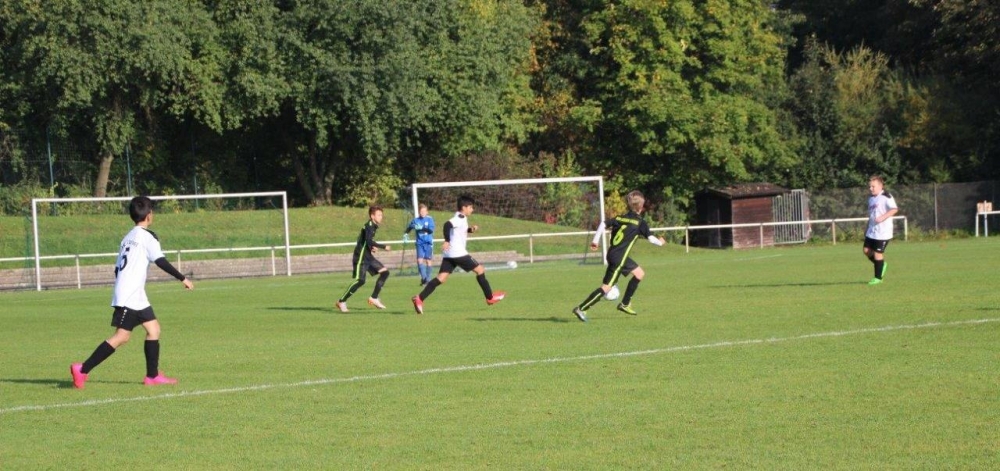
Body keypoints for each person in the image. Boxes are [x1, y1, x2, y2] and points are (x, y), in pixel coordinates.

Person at [70, 196, 194, 389]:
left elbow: (117, 268)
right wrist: (182, 278)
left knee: (154, 330)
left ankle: (152, 376)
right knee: (122, 336)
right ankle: (82, 369)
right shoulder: (147, 237)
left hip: (134, 294)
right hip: (130, 295)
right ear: (149, 214)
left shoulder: (127, 237)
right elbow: (160, 260)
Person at [572, 190, 665, 322]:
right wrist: (660, 243)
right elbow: (651, 238)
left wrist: (595, 241)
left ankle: (625, 304)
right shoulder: (640, 222)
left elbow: (603, 223)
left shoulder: (620, 218)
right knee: (606, 287)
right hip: (619, 259)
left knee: (639, 273)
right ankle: (581, 308)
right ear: (641, 207)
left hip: (613, 254)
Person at [411, 195, 505, 314]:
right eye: (471, 207)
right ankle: (490, 297)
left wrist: (470, 230)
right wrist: (447, 241)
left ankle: (419, 298)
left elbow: (458, 230)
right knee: (480, 270)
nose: (472, 209)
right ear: (464, 207)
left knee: (441, 278)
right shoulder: (459, 218)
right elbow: (447, 225)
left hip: (449, 254)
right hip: (458, 253)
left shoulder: (461, 218)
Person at [337, 206, 392, 312]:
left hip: (368, 257)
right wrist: (384, 246)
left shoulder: (373, 226)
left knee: (385, 273)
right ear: (372, 216)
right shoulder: (369, 226)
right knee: (361, 281)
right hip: (361, 257)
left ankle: (374, 297)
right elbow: (368, 241)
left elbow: (366, 241)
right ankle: (341, 301)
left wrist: (372, 248)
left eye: (381, 215)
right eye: (379, 215)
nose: (381, 217)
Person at [863, 175, 898, 285]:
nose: (870, 188)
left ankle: (878, 278)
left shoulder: (886, 196)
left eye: (873, 186)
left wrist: (883, 217)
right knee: (866, 250)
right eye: (869, 186)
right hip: (872, 230)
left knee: (877, 253)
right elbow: (871, 215)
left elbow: (894, 209)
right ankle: (881, 264)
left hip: (883, 232)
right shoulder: (871, 199)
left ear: (880, 186)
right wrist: (867, 227)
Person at [404, 203, 436, 285]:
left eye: (424, 211)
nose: (423, 213)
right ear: (419, 212)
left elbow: (430, 231)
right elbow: (410, 227)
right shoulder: (416, 220)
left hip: (428, 243)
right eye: (421, 211)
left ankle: (428, 279)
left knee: (428, 261)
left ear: (427, 212)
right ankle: (424, 278)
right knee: (419, 260)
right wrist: (406, 234)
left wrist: (422, 228)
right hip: (419, 243)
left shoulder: (430, 219)